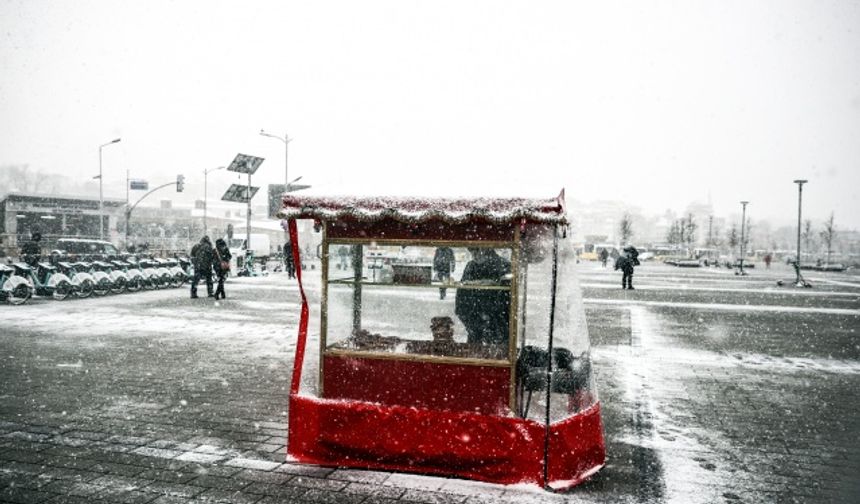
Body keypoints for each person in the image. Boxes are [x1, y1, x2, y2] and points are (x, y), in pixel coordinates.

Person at [455, 248, 511, 345]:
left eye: (476, 251)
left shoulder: (503, 265)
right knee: (476, 346)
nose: (474, 255)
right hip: (475, 316)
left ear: (487, 251)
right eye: (472, 252)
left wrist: (489, 315)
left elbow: (505, 294)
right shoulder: (471, 265)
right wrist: (463, 313)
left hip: (495, 318)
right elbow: (462, 291)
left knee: (495, 349)